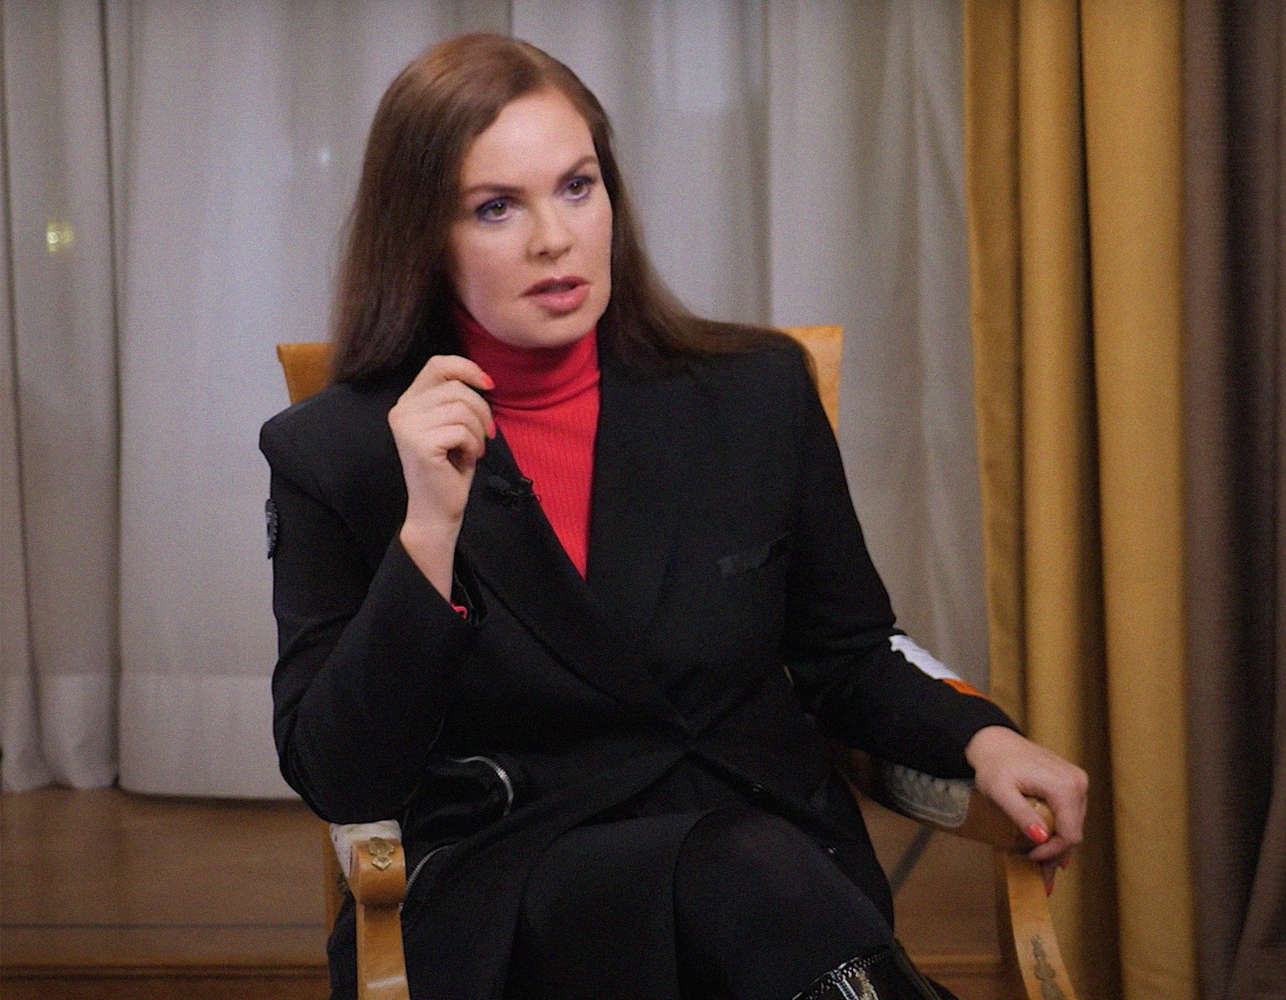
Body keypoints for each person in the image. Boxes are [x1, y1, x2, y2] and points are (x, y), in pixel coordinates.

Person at [261, 33, 1086, 1000]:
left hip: (770, 883)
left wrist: (981, 738)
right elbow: (342, 777)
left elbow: (850, 653)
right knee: (743, 865)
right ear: (422, 237)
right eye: (495, 207)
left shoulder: (755, 391)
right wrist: (428, 534)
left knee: (748, 866)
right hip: (521, 893)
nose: (554, 238)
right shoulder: (336, 452)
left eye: (577, 187)